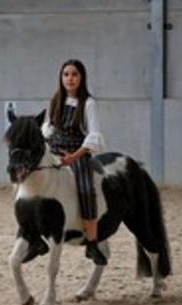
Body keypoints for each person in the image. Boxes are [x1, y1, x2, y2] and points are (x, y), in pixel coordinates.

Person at [41, 59, 107, 265]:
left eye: (74, 74)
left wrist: (73, 157)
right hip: (54, 151)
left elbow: (94, 135)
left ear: (81, 78)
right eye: (66, 74)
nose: (70, 78)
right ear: (61, 78)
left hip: (77, 154)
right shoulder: (54, 101)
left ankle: (92, 241)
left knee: (86, 189)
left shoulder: (88, 103)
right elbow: (48, 128)